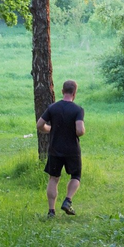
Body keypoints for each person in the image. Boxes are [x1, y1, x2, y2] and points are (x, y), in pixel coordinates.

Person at [36, 80, 85, 218]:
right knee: (75, 176)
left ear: (62, 91)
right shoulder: (77, 110)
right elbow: (80, 130)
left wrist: (49, 129)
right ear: (74, 93)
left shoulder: (53, 108)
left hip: (55, 149)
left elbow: (40, 125)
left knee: (53, 178)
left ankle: (51, 211)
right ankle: (67, 200)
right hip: (72, 150)